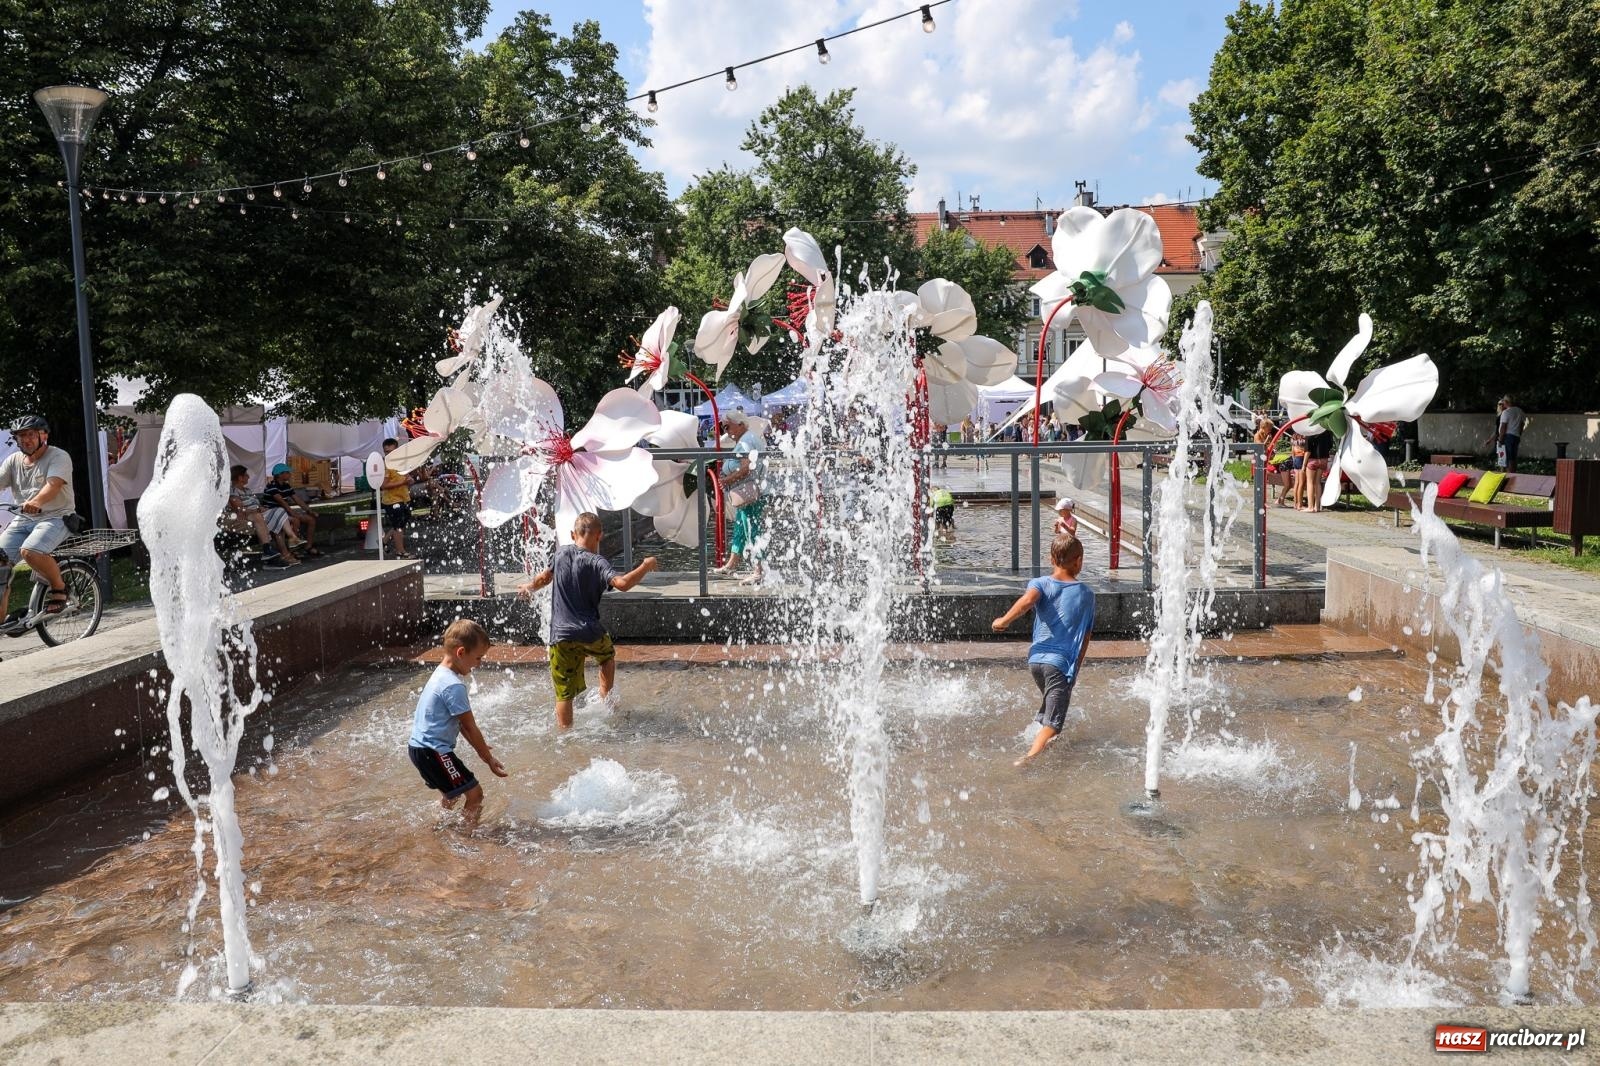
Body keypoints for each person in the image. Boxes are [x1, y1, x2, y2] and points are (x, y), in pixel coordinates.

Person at [516, 512, 658, 731]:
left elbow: (543, 578)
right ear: (599, 536)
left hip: (560, 636)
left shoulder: (561, 553)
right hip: (590, 632)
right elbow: (621, 584)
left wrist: (529, 587)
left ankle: (566, 735)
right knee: (607, 658)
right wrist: (646, 566)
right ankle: (606, 703)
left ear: (573, 534)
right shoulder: (597, 561)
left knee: (564, 693)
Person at [991, 534, 1095, 766]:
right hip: (1059, 664)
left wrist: (1004, 620)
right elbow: (1085, 636)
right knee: (1055, 724)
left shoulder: (1040, 583)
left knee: (1051, 702)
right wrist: (1075, 666)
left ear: (1051, 559)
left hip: (1035, 661)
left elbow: (1027, 602)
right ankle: (1029, 757)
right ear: (1079, 561)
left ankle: (1041, 729)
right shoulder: (1087, 594)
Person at [407, 618, 508, 829]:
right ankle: (464, 835)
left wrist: (478, 746)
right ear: (461, 653)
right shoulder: (453, 686)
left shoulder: (440, 675)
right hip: (434, 751)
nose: (479, 664)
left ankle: (438, 828)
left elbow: (461, 725)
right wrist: (487, 758)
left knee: (451, 794)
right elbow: (470, 726)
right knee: (475, 794)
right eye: (478, 658)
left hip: (419, 748)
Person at [0, 416, 76, 615]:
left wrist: (36, 502)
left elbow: (53, 485)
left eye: (30, 435)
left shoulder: (58, 456)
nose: (25, 440)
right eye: (20, 436)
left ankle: (59, 588)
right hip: (23, 519)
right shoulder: (14, 461)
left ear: (44, 435)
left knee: (30, 551)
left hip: (56, 516)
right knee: (0, 563)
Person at [710, 408, 767, 585]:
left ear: (740, 424)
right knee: (741, 528)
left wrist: (727, 480)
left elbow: (746, 466)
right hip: (750, 492)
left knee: (752, 529)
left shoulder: (746, 441)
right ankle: (732, 564)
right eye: (724, 428)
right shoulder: (748, 438)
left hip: (749, 493)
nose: (726, 431)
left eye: (728, 427)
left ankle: (758, 571)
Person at [224, 465, 299, 567]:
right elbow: (240, 509)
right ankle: (282, 550)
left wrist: (262, 508)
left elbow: (257, 505)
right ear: (240, 477)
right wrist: (258, 509)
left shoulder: (248, 490)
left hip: (259, 513)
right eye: (246, 475)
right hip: (250, 515)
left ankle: (285, 551)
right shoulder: (233, 491)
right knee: (275, 520)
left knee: (279, 512)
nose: (248, 477)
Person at [260, 463, 322, 556]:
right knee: (295, 520)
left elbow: (297, 499)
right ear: (280, 475)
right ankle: (294, 549)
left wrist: (309, 510)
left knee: (311, 520)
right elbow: (282, 502)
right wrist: (293, 513)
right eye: (287, 472)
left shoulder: (286, 486)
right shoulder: (271, 486)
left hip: (284, 512)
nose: (290, 474)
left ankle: (308, 546)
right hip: (274, 514)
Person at [378, 438, 415, 559]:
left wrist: (409, 481)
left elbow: (408, 478)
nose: (388, 454)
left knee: (401, 523)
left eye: (391, 451)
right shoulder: (386, 466)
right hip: (392, 500)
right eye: (386, 452)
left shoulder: (401, 463)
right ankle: (400, 551)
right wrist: (402, 482)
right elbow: (384, 485)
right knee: (398, 525)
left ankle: (385, 540)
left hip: (403, 497)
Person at [1489, 396, 1526, 473]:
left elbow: (1503, 427)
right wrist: (1519, 433)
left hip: (1507, 437)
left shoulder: (1506, 412)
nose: (1503, 403)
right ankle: (1513, 474)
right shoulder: (1520, 411)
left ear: (1507, 402)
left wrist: (1500, 440)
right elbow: (1522, 424)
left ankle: (1508, 476)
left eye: (1504, 401)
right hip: (1516, 436)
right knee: (1513, 458)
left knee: (1506, 458)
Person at [1303, 430, 1333, 512]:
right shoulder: (1327, 432)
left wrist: (1304, 465)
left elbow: (1308, 451)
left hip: (1312, 459)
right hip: (1323, 459)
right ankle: (1317, 507)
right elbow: (1330, 445)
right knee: (1318, 483)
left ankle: (1310, 507)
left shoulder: (1310, 432)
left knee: (1310, 483)